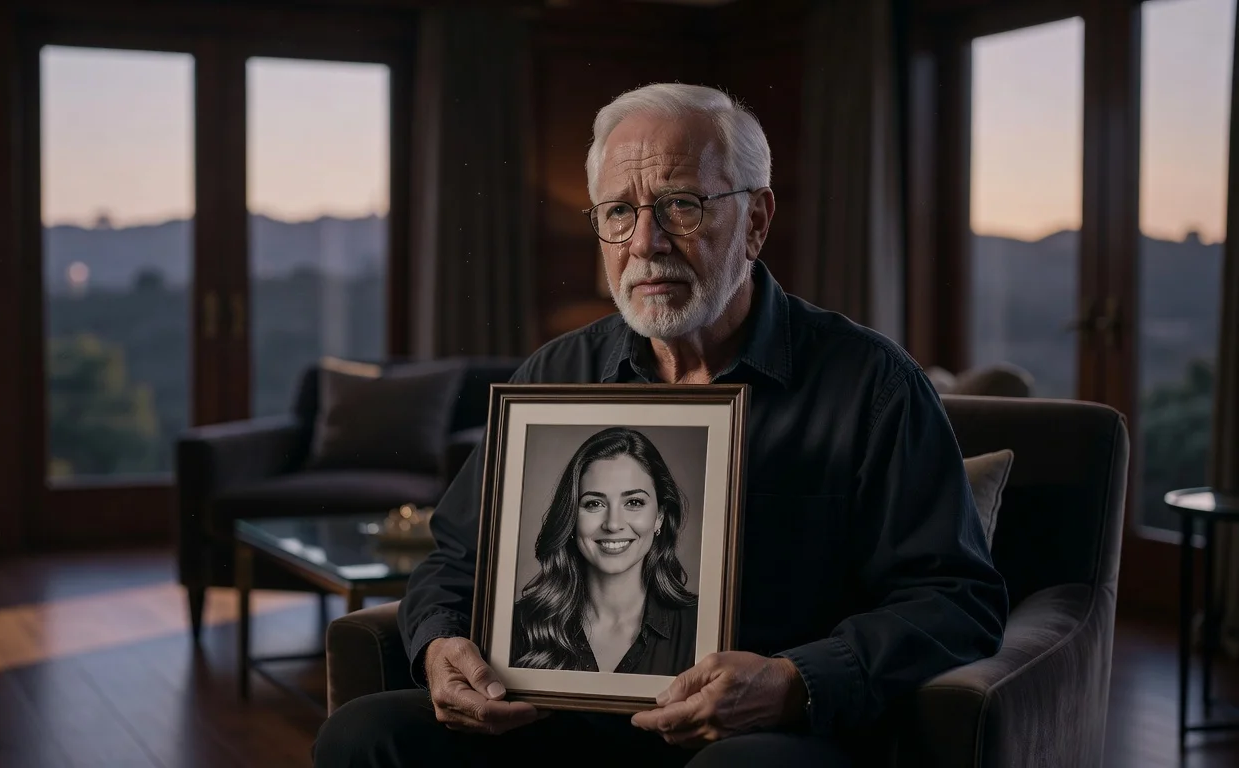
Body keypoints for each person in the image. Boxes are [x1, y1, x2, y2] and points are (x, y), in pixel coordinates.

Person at [313, 82, 1009, 767]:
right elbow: (454, 560)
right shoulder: (554, 375)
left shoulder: (871, 385)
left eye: (682, 205)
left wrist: (797, 680)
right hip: (555, 717)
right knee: (364, 736)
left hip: (762, 732)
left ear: (757, 220)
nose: (646, 242)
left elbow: (954, 598)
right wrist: (438, 644)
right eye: (618, 211)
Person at [510, 426, 698, 676]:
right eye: (594, 503)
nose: (612, 524)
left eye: (634, 502)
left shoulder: (700, 626)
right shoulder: (518, 624)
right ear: (571, 518)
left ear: (659, 518)